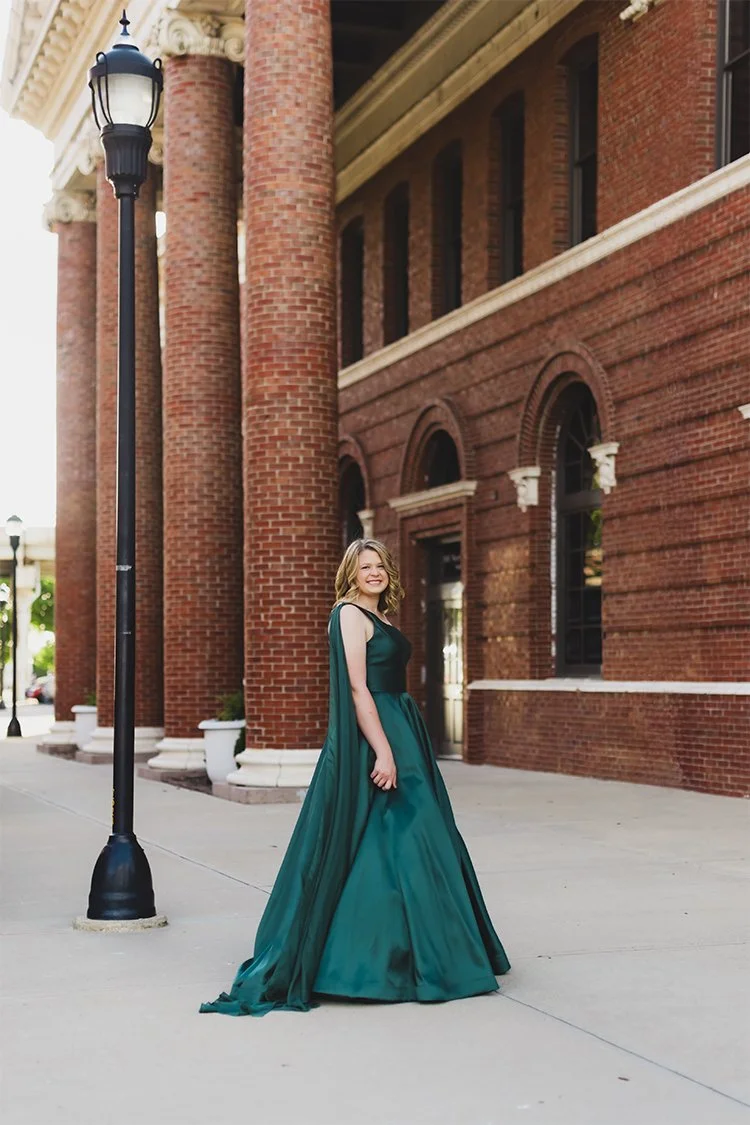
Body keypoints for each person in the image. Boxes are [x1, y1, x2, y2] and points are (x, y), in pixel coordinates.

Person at [199, 538, 510, 1017]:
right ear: (351, 572)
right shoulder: (348, 614)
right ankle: (378, 962)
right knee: (402, 835)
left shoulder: (381, 615)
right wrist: (383, 750)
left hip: (402, 727)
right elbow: (357, 688)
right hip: (378, 733)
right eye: (365, 566)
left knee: (415, 837)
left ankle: (428, 954)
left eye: (380, 565)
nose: (375, 572)